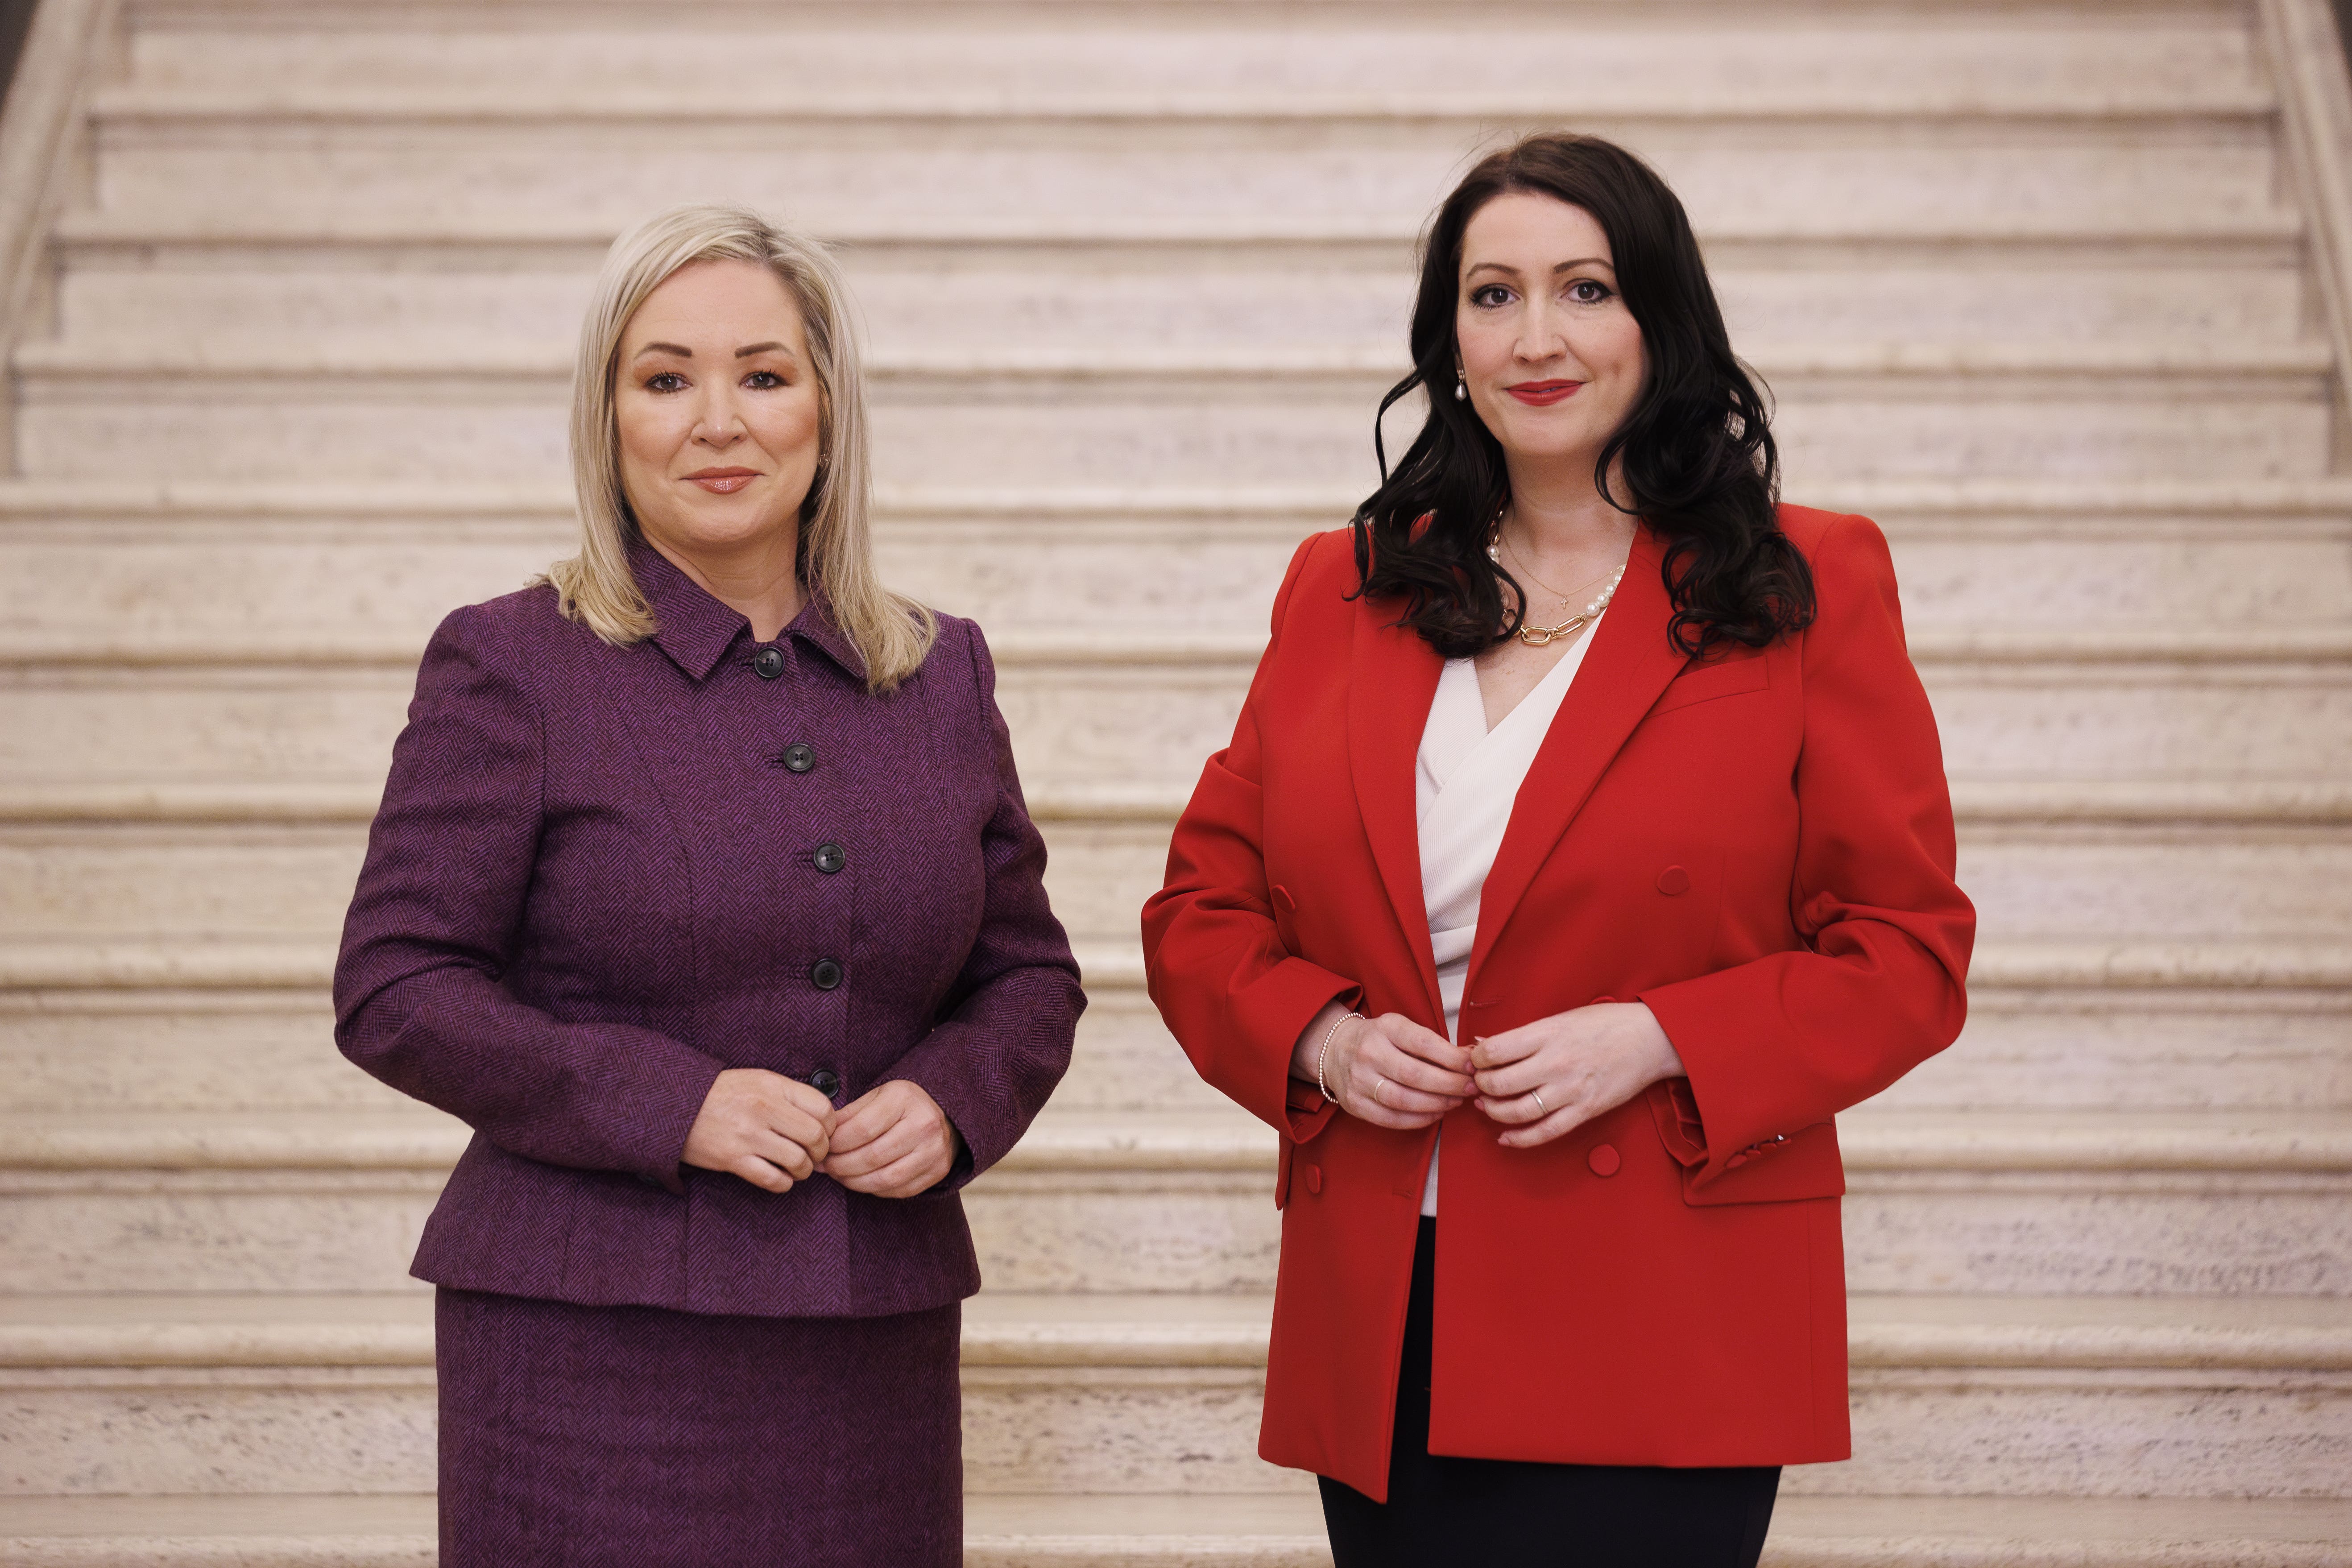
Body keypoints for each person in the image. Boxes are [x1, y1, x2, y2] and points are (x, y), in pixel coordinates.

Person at [1142, 133, 1975, 1567]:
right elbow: (1198, 912)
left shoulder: (1803, 579)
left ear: (1662, 318)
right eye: (1493, 295)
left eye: (1586, 289)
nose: (1536, 338)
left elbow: (1906, 953)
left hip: (1665, 1293)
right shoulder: (1347, 589)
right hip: (1389, 1291)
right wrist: (1323, 1041)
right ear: (1446, 334)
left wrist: (1660, 1034)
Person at [335, 203, 1082, 1568]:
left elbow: (1028, 977)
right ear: (607, 417)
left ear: (827, 407)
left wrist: (955, 1101)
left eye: (765, 373)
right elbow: (397, 987)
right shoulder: (515, 664)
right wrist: (670, 1100)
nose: (718, 420)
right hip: (580, 1348)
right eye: (666, 377)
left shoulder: (940, 669)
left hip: (871, 1344)